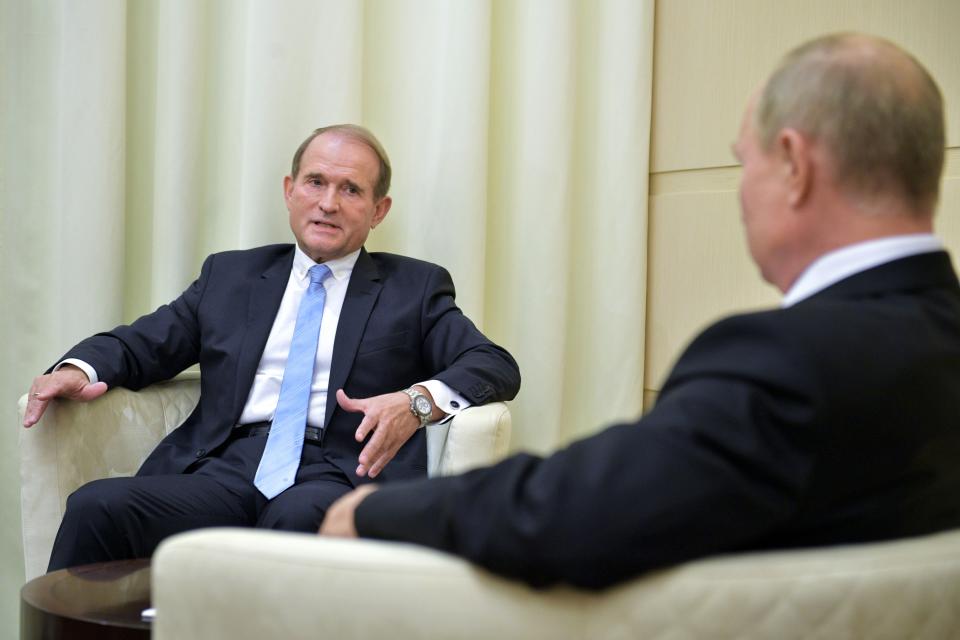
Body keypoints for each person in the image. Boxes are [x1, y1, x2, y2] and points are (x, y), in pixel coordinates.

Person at [320, 33, 960, 589]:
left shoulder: (783, 364)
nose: (742, 194)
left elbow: (574, 515)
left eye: (747, 162)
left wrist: (374, 513)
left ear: (794, 164)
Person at [24, 124, 521, 571]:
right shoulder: (231, 276)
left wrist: (416, 403)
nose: (329, 203)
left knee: (296, 525)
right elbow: (145, 343)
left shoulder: (413, 288)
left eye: (351, 189)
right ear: (290, 192)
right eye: (316, 182)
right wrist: (79, 368)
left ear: (378, 211)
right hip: (225, 469)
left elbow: (493, 364)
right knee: (98, 507)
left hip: (336, 475)